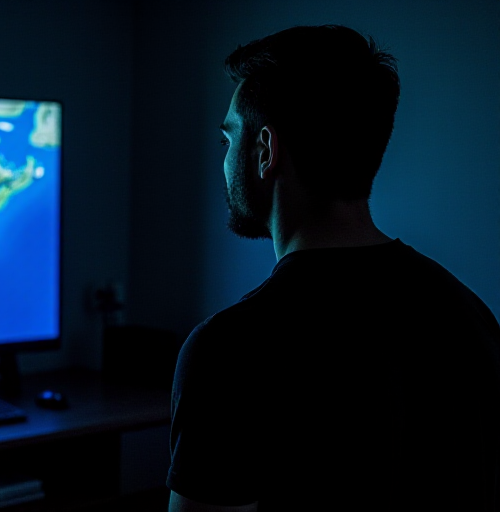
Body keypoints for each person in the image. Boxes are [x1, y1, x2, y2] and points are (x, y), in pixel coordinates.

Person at [166, 25, 500, 512]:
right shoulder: (473, 318)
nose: (224, 159)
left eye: (227, 139)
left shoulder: (232, 350)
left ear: (264, 150)